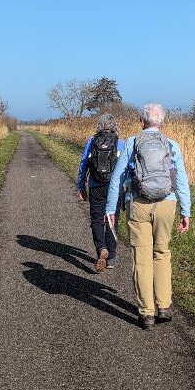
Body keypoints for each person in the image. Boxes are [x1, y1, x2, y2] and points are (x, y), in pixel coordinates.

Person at [105, 103, 191, 329]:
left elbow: (117, 178)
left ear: (141, 121)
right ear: (161, 122)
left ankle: (147, 314)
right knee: (162, 253)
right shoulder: (172, 145)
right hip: (166, 204)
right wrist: (186, 210)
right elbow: (181, 180)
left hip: (138, 204)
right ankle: (164, 306)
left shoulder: (132, 143)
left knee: (142, 258)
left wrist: (110, 209)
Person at [78, 114, 124, 272]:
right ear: (114, 126)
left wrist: (81, 186)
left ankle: (101, 248)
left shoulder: (91, 142)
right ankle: (111, 258)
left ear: (99, 125)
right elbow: (128, 168)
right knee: (112, 220)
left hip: (95, 186)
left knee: (97, 220)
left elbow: (83, 165)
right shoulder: (121, 143)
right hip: (114, 188)